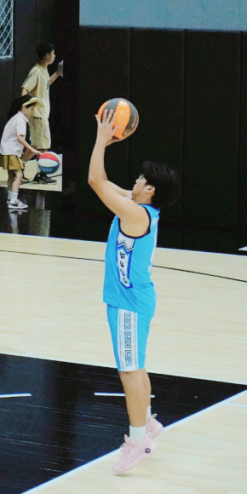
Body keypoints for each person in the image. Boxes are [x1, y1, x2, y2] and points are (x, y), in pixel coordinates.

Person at [88, 108, 180, 474]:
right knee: (135, 368)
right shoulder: (139, 206)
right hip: (132, 300)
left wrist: (101, 139)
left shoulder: (137, 214)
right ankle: (148, 419)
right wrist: (105, 145)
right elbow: (106, 183)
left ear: (151, 190)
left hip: (129, 304)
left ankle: (139, 441)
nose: (136, 180)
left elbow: (95, 181)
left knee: (129, 372)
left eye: (142, 179)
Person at [0, 95, 42, 210]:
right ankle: (13, 201)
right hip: (11, 151)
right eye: (32, 109)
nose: (33, 112)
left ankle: (10, 197)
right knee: (19, 175)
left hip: (5, 150)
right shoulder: (21, 120)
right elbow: (20, 138)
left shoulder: (15, 118)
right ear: (24, 107)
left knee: (11, 175)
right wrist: (32, 150)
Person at [20, 42, 64, 153]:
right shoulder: (36, 71)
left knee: (36, 147)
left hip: (40, 114)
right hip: (38, 115)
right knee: (42, 147)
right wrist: (28, 108)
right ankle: (33, 165)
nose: (54, 56)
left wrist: (58, 73)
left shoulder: (43, 70)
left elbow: (46, 83)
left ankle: (19, 164)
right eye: (53, 53)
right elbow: (25, 89)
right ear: (47, 55)